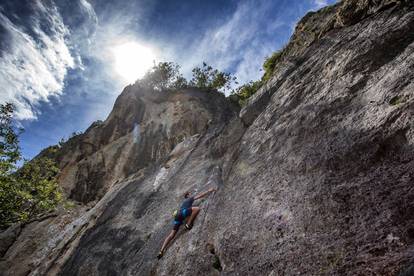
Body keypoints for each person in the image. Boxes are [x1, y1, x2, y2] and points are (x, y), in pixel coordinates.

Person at [157, 187, 216, 259]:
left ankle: (161, 250)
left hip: (177, 216)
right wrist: (208, 191)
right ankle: (188, 224)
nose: (192, 194)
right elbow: (200, 196)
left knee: (171, 235)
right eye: (190, 193)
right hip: (182, 213)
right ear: (188, 195)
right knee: (196, 209)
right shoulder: (189, 199)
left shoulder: (183, 203)